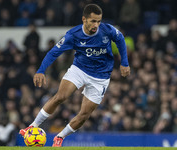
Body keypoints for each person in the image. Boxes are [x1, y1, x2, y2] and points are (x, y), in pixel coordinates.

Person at [19, 4, 130, 147]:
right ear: (84, 19)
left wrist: (124, 63)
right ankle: (32, 126)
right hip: (80, 69)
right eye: (93, 21)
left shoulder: (107, 30)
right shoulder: (73, 35)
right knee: (61, 97)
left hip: (101, 77)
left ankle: (60, 137)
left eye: (98, 21)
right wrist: (41, 70)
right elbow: (54, 52)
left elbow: (120, 38)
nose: (96, 24)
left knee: (84, 115)